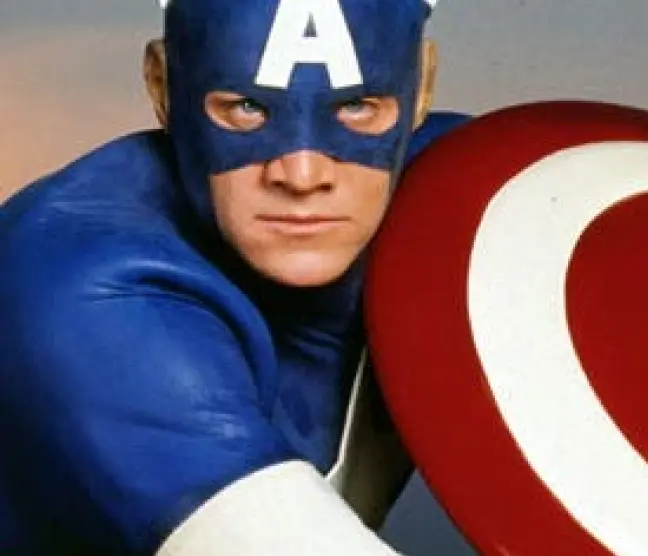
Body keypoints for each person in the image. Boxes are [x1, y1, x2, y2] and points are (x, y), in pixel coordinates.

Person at [0, 0, 468, 554]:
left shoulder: (479, 188)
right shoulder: (84, 288)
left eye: (357, 107)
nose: (302, 174)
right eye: (247, 108)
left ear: (423, 85)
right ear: (163, 86)